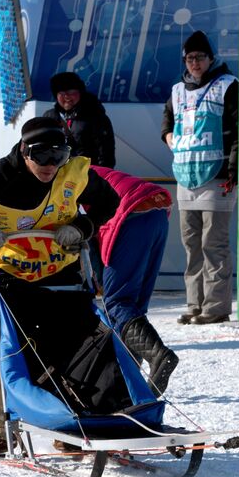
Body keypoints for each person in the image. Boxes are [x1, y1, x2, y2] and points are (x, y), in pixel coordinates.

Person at [0, 117, 120, 454]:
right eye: (42, 158)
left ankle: (71, 424)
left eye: (59, 157)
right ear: (25, 152)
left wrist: (83, 226)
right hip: (8, 272)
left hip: (60, 269)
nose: (50, 166)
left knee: (71, 343)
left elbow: (108, 202)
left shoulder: (74, 172)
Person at [161, 31, 238, 326]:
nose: (195, 62)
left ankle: (216, 306)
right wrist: (167, 136)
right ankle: (195, 303)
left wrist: (232, 169)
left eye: (200, 57)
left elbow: (238, 129)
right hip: (185, 174)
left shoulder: (227, 86)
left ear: (211, 58)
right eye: (190, 58)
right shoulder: (178, 90)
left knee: (213, 244)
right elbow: (168, 117)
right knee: (191, 244)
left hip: (217, 176)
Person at [90, 166, 178, 394]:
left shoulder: (62, 178)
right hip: (157, 212)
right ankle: (128, 382)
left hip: (131, 214)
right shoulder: (80, 166)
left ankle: (158, 355)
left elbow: (86, 236)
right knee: (133, 306)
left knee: (117, 302)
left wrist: (97, 278)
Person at [41, 71, 116, 168]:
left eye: (71, 92)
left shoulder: (95, 116)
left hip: (86, 173)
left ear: (80, 93)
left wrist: (100, 177)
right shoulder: (49, 116)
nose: (67, 96)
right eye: (62, 93)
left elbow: (106, 152)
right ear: (56, 95)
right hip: (59, 172)